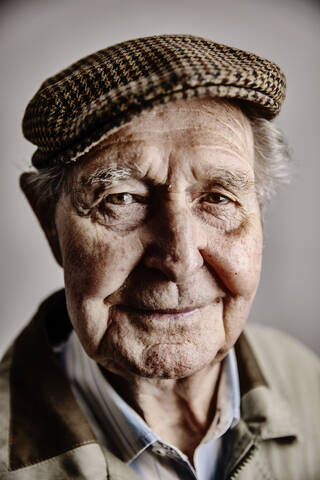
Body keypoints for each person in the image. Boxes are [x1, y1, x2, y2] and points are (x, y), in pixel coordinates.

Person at [0, 34, 319, 480]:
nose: (179, 258)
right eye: (122, 198)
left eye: (218, 199)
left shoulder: (308, 384)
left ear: (258, 214)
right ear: (49, 223)